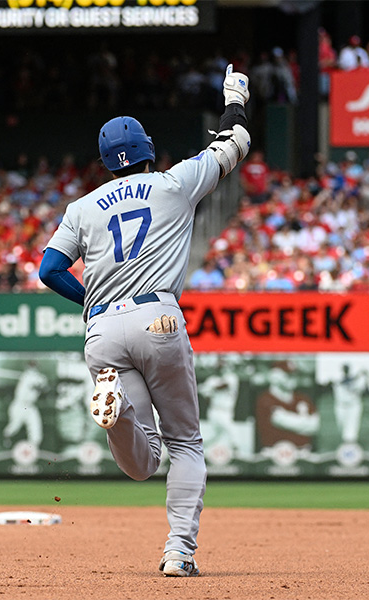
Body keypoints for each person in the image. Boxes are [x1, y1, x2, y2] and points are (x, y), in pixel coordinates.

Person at [39, 64, 252, 577]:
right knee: (184, 442)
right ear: (147, 149)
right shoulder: (174, 182)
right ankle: (178, 550)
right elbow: (237, 141)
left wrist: (90, 300)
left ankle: (119, 418)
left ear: (107, 162)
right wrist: (235, 97)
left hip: (103, 329)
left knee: (142, 462)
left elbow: (49, 270)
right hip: (158, 316)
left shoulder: (81, 207)